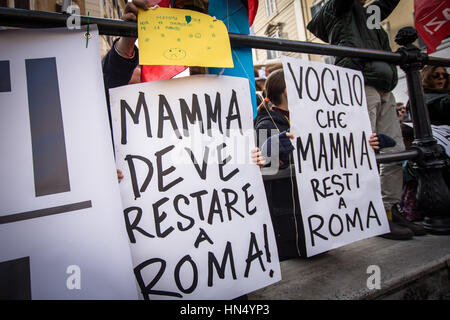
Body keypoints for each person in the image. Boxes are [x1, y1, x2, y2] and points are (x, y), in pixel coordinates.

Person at [307, 0, 425, 240]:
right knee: (366, 152)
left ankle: (389, 209)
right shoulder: (336, 9)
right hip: (360, 83)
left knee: (396, 149)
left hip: (383, 85)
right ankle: (373, 214)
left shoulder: (370, 13)